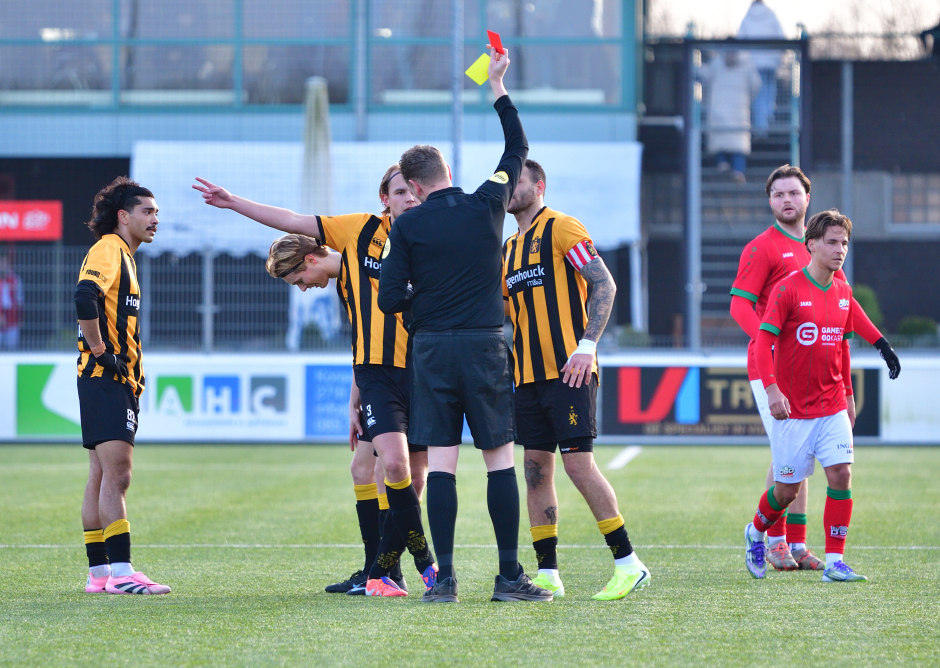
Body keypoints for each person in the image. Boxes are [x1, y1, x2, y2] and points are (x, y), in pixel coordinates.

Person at [194, 166, 437, 598]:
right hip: (375, 377)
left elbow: (293, 224)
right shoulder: (359, 235)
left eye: (298, 280)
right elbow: (292, 221)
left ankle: (394, 568)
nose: (303, 289)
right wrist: (353, 402)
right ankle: (381, 570)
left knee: (402, 474)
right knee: (366, 467)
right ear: (384, 197)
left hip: (418, 372)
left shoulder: (419, 238)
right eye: (398, 191)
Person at [378, 46, 551, 604]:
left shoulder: (406, 227)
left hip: (430, 350)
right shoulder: (487, 204)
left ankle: (445, 580)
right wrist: (496, 86)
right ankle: (507, 577)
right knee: (498, 458)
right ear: (448, 174)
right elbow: (517, 148)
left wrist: (422, 308)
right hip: (483, 347)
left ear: (415, 185)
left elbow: (387, 301)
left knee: (444, 464)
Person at [729, 164, 901, 572]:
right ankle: (773, 539)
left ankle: (798, 544)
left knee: (815, 463)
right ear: (769, 202)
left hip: (819, 375)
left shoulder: (826, 244)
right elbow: (740, 305)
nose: (786, 200)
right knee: (790, 459)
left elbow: (845, 311)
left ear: (807, 197)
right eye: (778, 194)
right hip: (773, 370)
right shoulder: (762, 247)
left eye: (793, 193)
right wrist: (770, 346)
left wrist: (878, 345)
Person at [502, 159, 651, 600]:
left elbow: (603, 285)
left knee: (578, 465)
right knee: (534, 471)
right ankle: (547, 572)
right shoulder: (508, 249)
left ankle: (628, 563)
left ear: (539, 185)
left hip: (570, 371)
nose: (510, 189)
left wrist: (587, 345)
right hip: (527, 376)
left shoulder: (563, 227)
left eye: (518, 182)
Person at [746, 209, 867, 583]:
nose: (839, 249)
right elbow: (763, 340)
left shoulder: (845, 292)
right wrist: (772, 390)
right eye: (832, 242)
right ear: (811, 244)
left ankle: (835, 562)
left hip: (832, 406)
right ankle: (755, 531)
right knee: (785, 491)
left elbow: (843, 349)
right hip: (794, 412)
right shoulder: (787, 288)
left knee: (841, 474)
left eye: (844, 243)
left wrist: (847, 396)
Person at [75, 176, 169, 595]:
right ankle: (123, 573)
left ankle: (100, 574)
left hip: (112, 380)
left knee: (99, 475)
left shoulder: (126, 256)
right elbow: (84, 296)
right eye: (147, 212)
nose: (155, 220)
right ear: (123, 216)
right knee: (119, 475)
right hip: (105, 378)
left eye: (157, 213)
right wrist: (101, 353)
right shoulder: (109, 249)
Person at [699, 50, 761, 183]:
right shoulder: (748, 65)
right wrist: (749, 98)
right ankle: (738, 171)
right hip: (739, 110)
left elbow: (704, 75)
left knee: (719, 138)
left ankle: (722, 164)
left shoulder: (716, 63)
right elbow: (756, 85)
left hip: (718, 108)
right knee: (739, 142)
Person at [738, 0, 785, 134]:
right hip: (772, 61)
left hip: (754, 63)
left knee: (758, 94)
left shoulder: (746, 18)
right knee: (770, 90)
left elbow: (740, 41)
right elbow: (781, 36)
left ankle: (761, 126)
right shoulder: (771, 15)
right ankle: (769, 114)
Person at [0, 255, 23, 350]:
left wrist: (21, 317)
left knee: (12, 349)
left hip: (12, 321)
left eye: (6, 264)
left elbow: (20, 300)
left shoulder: (16, 280)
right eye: (2, 264)